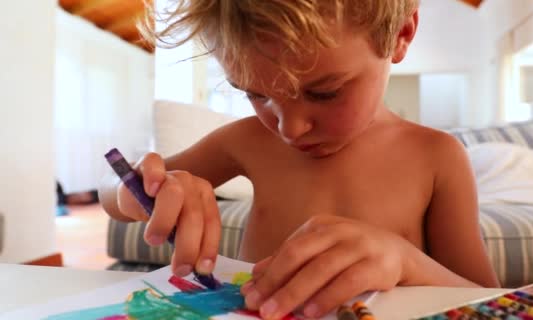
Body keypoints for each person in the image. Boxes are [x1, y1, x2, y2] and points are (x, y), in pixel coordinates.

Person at [100, 1, 499, 318]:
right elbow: (116, 197)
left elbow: (487, 301)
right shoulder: (247, 140)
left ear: (400, 34)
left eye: (324, 93)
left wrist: (407, 263)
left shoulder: (435, 157)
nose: (290, 128)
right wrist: (136, 189)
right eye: (256, 94)